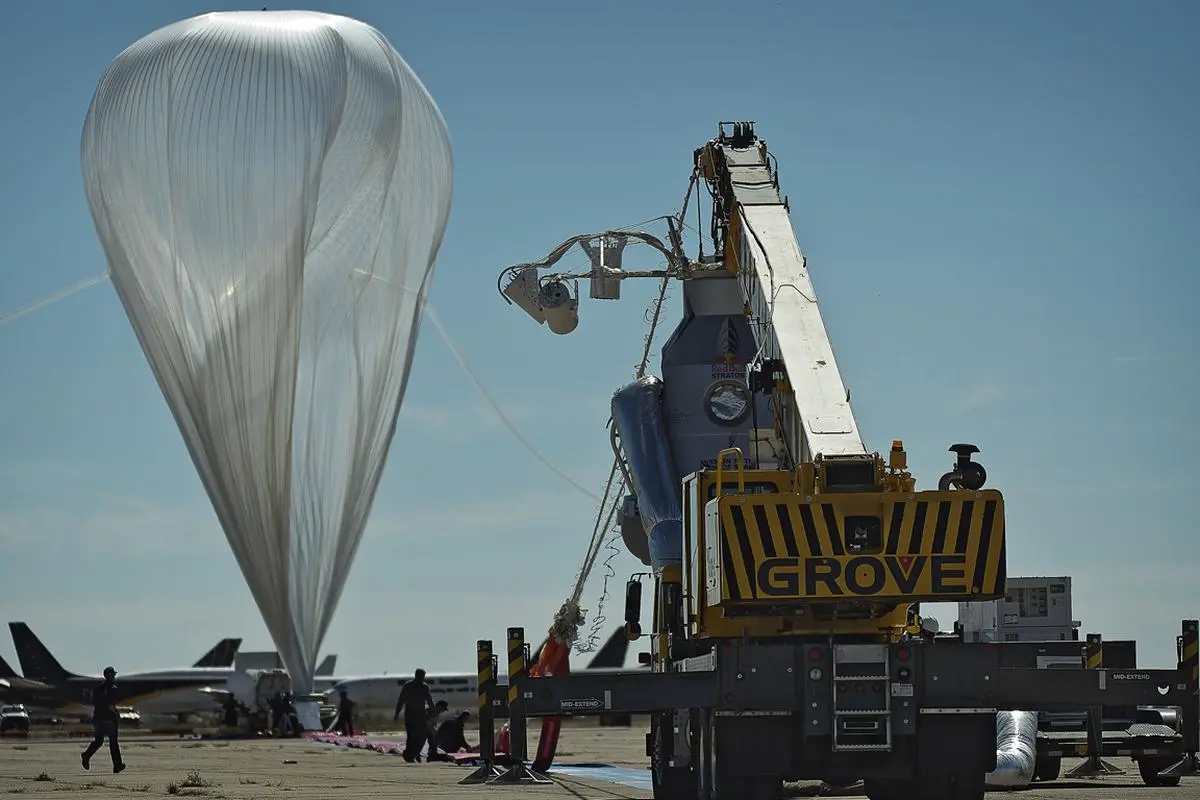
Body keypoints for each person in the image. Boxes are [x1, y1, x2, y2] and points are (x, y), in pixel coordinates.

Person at [81, 666, 125, 774]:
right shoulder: (113, 688)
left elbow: (94, 702)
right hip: (109, 719)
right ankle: (117, 765)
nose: (114, 676)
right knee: (113, 743)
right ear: (110, 675)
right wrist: (117, 713)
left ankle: (87, 755)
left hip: (98, 718)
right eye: (113, 674)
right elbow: (110, 704)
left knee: (98, 741)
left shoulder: (98, 688)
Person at [393, 668, 435, 762]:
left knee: (419, 736)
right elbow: (401, 701)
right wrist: (396, 714)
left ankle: (413, 754)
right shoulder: (410, 686)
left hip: (418, 713)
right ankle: (409, 755)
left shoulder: (422, 687)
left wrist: (433, 713)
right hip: (412, 713)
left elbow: (429, 701)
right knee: (412, 736)